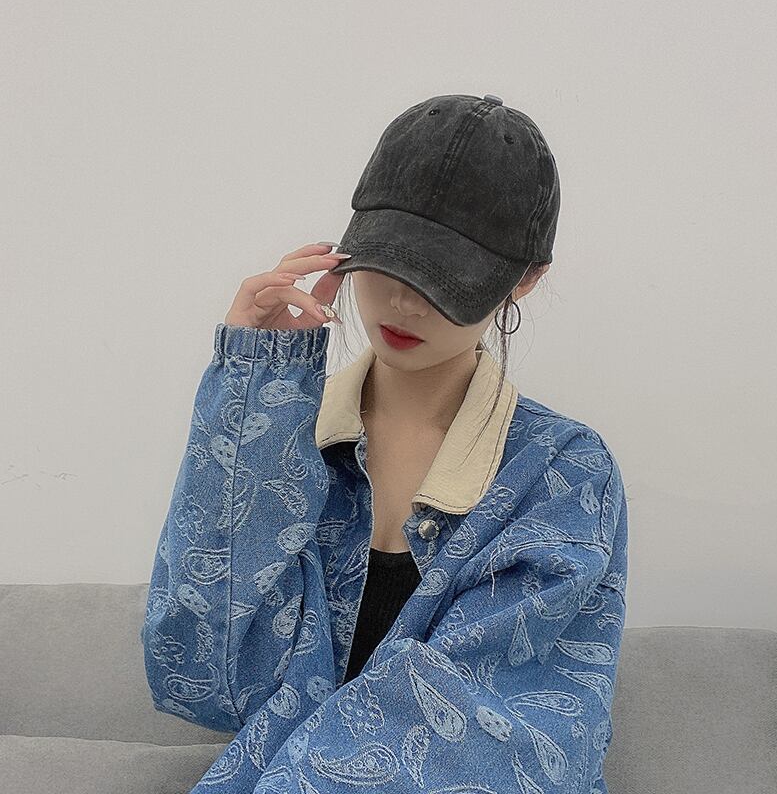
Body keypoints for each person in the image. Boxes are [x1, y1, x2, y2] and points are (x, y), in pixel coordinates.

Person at [141, 94, 628, 794]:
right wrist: (255, 402)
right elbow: (200, 676)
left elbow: (497, 745)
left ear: (524, 280)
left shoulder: (562, 473)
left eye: (444, 278)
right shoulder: (296, 439)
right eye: (389, 263)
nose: (404, 301)